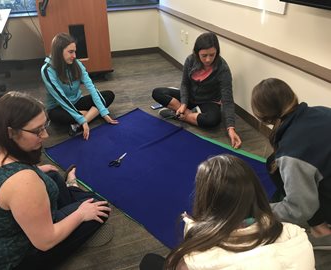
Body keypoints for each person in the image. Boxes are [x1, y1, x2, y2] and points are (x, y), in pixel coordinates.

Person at [0, 92, 111, 270]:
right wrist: (81, 214)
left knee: (51, 175)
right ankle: (72, 189)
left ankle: (70, 195)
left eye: (44, 126)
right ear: (10, 132)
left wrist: (35, 171)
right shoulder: (22, 181)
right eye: (38, 130)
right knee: (99, 206)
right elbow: (45, 241)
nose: (45, 135)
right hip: (15, 259)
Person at [140, 154, 314, 270]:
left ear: (207, 201)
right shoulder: (296, 234)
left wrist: (193, 227)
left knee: (149, 262)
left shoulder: (195, 260)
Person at [251, 78, 331, 240]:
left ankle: (320, 227)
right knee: (273, 163)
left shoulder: (291, 153)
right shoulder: (323, 111)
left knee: (274, 165)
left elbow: (300, 209)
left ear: (263, 117)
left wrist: (259, 211)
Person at [152, 32, 242, 149]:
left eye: (212, 55)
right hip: (189, 97)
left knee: (213, 121)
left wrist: (231, 128)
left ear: (217, 52)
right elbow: (184, 84)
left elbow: (228, 100)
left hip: (209, 101)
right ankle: (191, 113)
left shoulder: (223, 68)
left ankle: (179, 114)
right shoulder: (190, 60)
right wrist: (184, 103)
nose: (208, 59)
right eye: (204, 55)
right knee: (157, 93)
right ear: (196, 53)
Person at [41, 32, 118, 140]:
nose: (74, 56)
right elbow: (61, 98)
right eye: (70, 52)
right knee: (56, 116)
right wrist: (95, 113)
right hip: (59, 107)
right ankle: (90, 115)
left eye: (75, 52)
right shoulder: (47, 70)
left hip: (77, 102)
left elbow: (91, 87)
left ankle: (77, 124)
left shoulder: (76, 64)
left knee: (109, 95)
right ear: (59, 52)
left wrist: (104, 113)